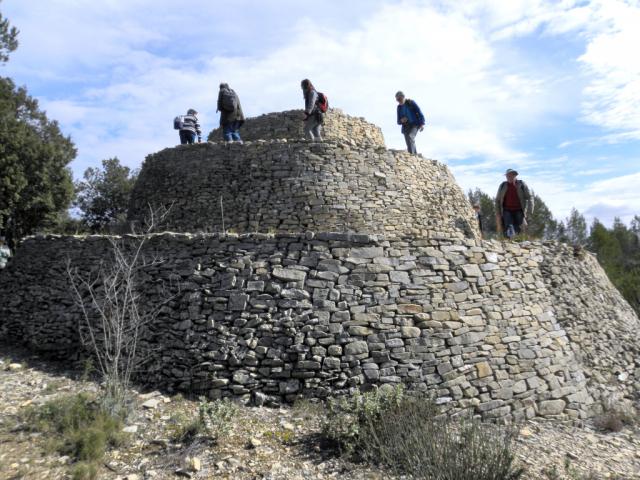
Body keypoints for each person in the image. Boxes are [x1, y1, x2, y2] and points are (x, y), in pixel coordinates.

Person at [495, 169, 534, 239]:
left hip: (519, 210)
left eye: (510, 175)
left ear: (515, 175)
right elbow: (497, 200)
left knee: (519, 227)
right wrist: (498, 213)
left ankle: (517, 242)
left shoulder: (521, 184)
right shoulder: (502, 186)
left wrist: (529, 212)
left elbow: (530, 197)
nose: (509, 177)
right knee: (509, 226)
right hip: (506, 210)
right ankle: (509, 242)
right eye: (507, 176)